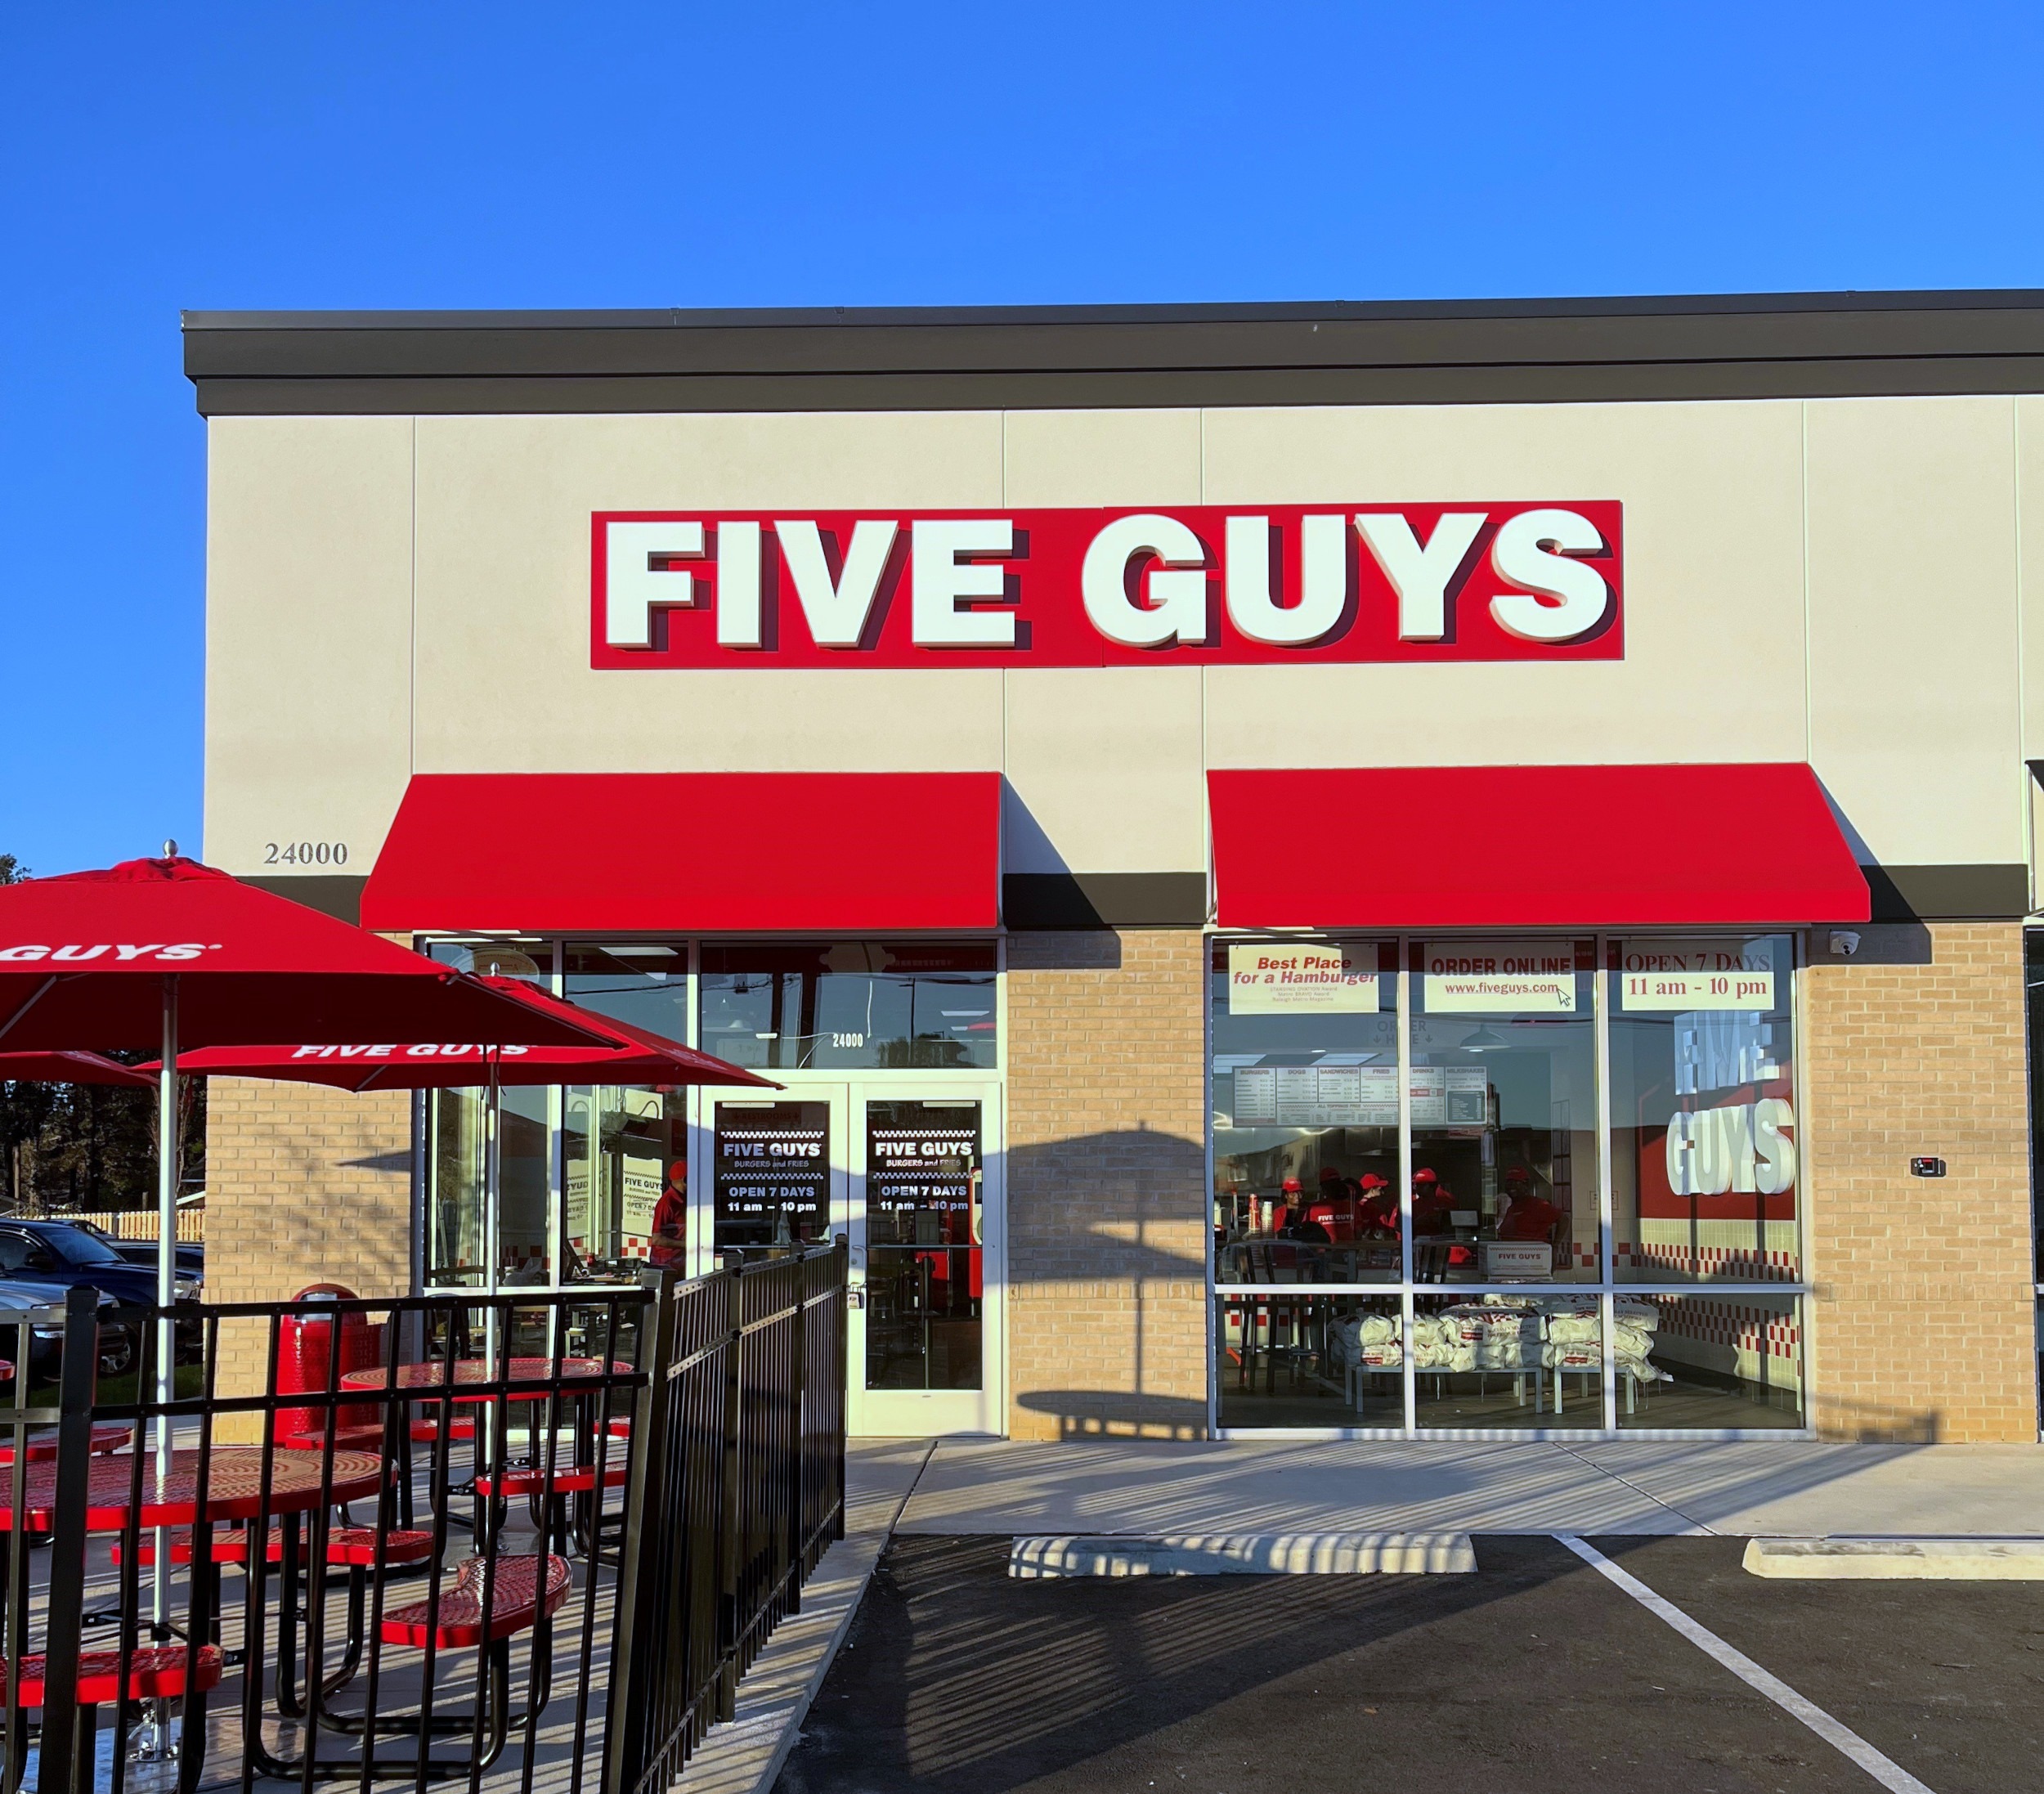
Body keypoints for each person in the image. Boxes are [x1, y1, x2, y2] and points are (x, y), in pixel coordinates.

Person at [1495, 1165, 1564, 1242]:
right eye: (1509, 1183)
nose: (1512, 1186)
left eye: (1517, 1183)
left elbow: (1563, 1219)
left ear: (1526, 1185)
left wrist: (1555, 1246)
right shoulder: (1511, 1209)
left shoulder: (1538, 1205)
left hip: (1535, 1253)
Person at [648, 1161, 688, 1267]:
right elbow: (657, 1239)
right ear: (685, 1179)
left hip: (678, 1261)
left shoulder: (683, 1200)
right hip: (665, 1263)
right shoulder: (667, 1202)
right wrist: (686, 1244)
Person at [1410, 1167, 1454, 1235]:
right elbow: (1399, 1227)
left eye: (1421, 1185)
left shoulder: (1446, 1203)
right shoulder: (1411, 1205)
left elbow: (1455, 1225)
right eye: (1416, 1185)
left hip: (1442, 1242)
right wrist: (1419, 1221)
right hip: (1417, 1242)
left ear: (1433, 1186)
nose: (1417, 1188)